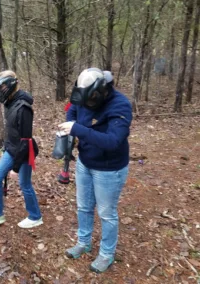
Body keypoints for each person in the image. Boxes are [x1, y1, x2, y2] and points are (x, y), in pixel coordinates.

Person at [58, 68, 132, 273]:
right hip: (85, 161)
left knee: (106, 213)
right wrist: (69, 124)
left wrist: (77, 130)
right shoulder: (83, 95)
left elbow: (113, 141)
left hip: (109, 168)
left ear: (100, 92)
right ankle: (84, 242)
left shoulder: (120, 105)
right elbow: (73, 108)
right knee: (83, 206)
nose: (86, 104)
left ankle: (107, 253)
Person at [0, 70, 43, 229]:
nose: (0, 90)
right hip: (12, 149)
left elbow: (25, 140)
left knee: (25, 184)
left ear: (10, 85)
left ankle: (35, 216)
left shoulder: (23, 108)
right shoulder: (10, 103)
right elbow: (13, 133)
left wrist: (15, 167)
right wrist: (6, 147)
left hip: (24, 151)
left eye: (2, 87)